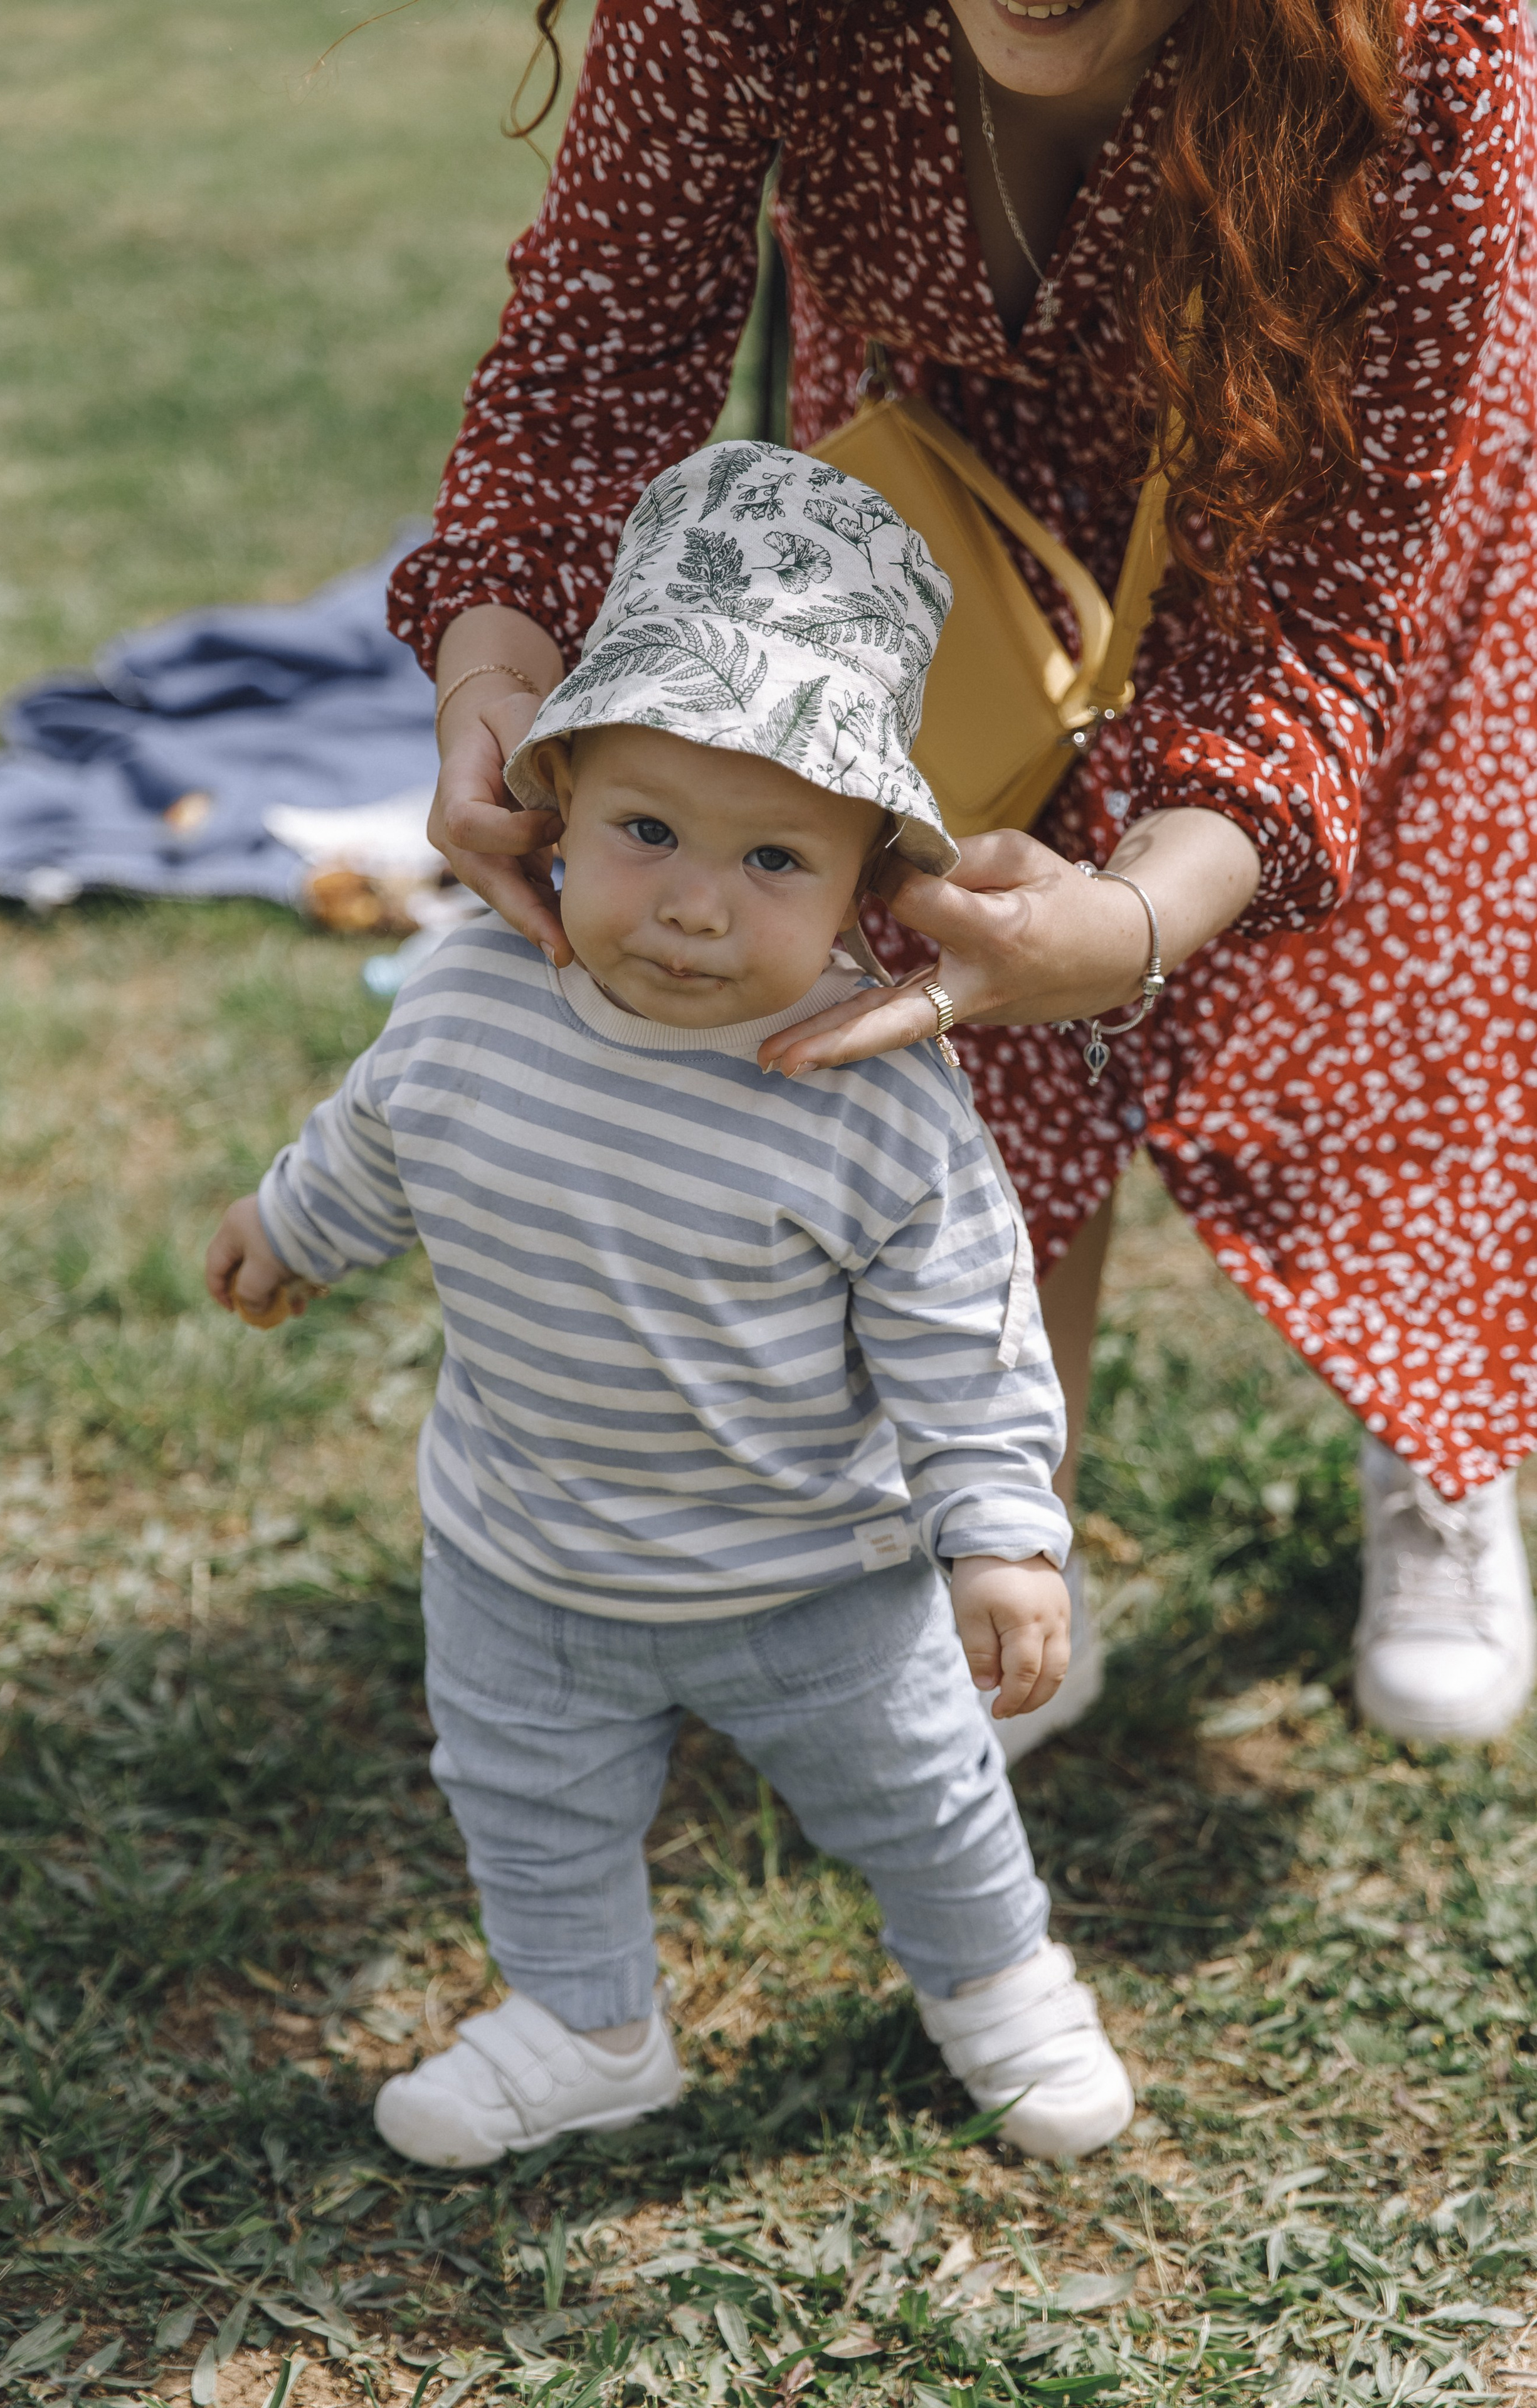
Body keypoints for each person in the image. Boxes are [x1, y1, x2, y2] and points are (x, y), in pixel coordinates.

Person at [389, 0, 1537, 1750]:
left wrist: (1145, 913)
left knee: (1374, 956)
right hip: (937, 481)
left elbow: (1332, 604)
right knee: (927, 995)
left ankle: (1436, 1438)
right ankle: (990, 1520)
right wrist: (497, 663)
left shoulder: (1440, 39)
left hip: (1316, 480)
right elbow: (601, 350)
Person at [204, 444, 1136, 2168]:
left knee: (921, 1799)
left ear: (871, 886)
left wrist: (1001, 1532)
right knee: (528, 1811)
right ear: (554, 810)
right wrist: (292, 1223)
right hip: (519, 1558)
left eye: (777, 859)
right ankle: (589, 2021)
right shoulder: (483, 979)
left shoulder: (861, 1090)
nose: (697, 903)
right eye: (645, 831)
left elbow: (964, 1325)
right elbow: (391, 1129)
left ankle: (998, 1979)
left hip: (812, 1576)